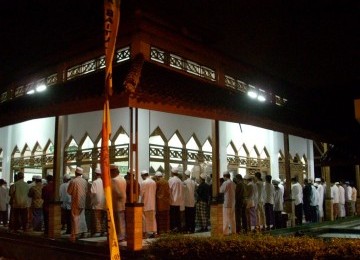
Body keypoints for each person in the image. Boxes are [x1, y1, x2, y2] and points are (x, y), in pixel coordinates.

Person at [67, 167, 88, 241]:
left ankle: (75, 233)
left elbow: (69, 192)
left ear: (76, 173)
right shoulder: (85, 181)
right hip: (83, 201)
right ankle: (83, 232)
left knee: (75, 218)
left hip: (75, 201)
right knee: (82, 217)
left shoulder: (73, 181)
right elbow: (86, 191)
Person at [110, 165, 127, 241]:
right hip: (123, 203)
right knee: (122, 220)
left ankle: (120, 236)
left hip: (116, 203)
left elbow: (117, 192)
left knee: (118, 221)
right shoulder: (123, 179)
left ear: (113, 172)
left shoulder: (114, 180)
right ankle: (122, 235)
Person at [140, 170, 157, 238]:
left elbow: (141, 193)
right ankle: (154, 232)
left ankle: (145, 233)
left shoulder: (143, 182)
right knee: (152, 219)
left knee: (144, 219)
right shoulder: (153, 182)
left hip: (145, 203)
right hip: (152, 203)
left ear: (143, 175)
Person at [90, 168, 106, 237]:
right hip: (104, 203)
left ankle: (98, 231)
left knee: (97, 218)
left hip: (96, 203)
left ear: (96, 174)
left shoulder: (95, 182)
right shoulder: (104, 182)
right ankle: (103, 231)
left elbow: (93, 193)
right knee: (103, 218)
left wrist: (92, 202)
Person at [220, 171, 236, 235]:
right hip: (232, 203)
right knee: (232, 218)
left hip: (227, 203)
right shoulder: (233, 183)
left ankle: (225, 232)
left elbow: (221, 191)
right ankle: (233, 231)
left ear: (225, 176)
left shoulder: (225, 183)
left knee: (226, 218)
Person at [168, 167, 184, 232]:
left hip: (172, 201)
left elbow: (169, 190)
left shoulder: (171, 180)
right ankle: (178, 228)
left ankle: (173, 229)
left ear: (172, 173)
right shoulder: (180, 181)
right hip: (178, 201)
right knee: (178, 216)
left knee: (173, 217)